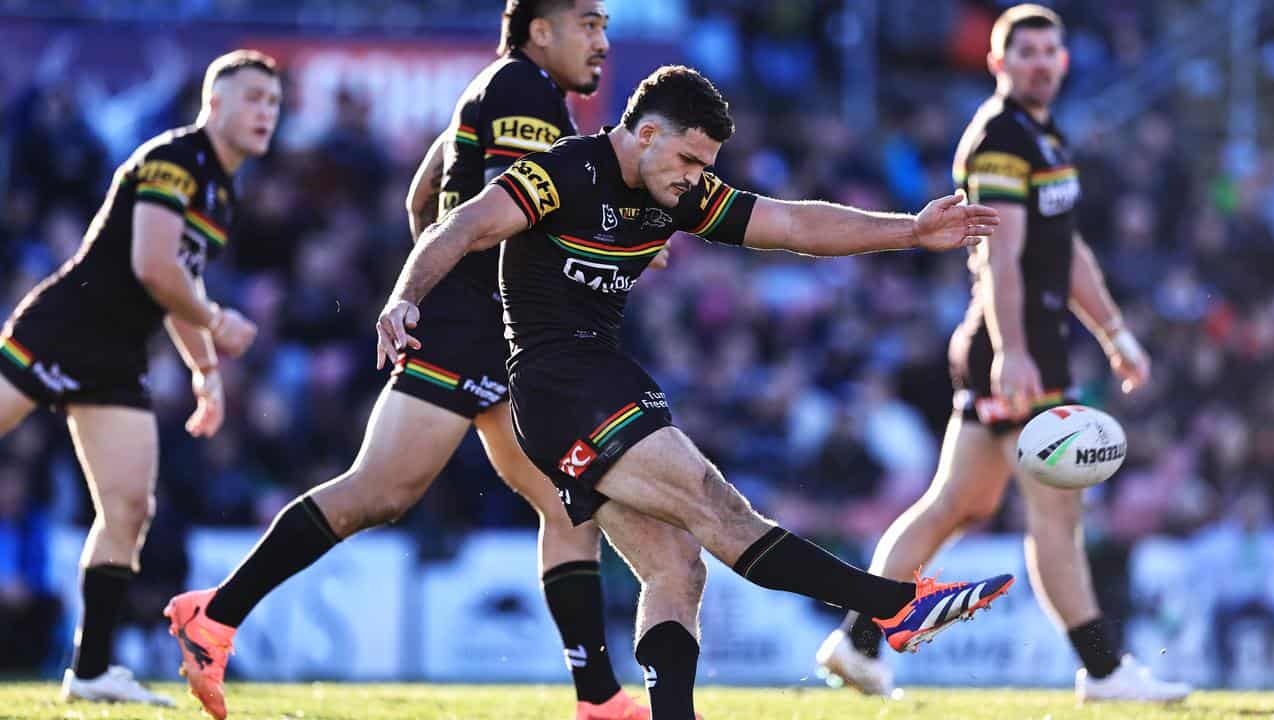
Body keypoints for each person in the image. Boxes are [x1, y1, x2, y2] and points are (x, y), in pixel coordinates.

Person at [365, 64, 1011, 719]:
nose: (695, 177)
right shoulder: (564, 172)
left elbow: (791, 226)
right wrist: (404, 298)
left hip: (599, 380)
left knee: (677, 567)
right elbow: (463, 225)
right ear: (644, 133)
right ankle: (895, 606)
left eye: (705, 165)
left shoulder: (680, 191)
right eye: (687, 159)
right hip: (560, 385)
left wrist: (910, 230)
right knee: (716, 506)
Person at [164, 4, 650, 720]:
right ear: (540, 29)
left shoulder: (508, 89)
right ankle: (215, 615)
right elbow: (508, 209)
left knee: (564, 500)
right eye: (588, 24)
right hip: (469, 329)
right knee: (380, 491)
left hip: (490, 326)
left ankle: (599, 699)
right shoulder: (521, 88)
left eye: (606, 27)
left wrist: (445, 271)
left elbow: (422, 194)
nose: (603, 43)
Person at [814, 5, 1191, 703]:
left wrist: (1115, 333)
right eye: (1027, 53)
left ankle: (859, 642)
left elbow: (1066, 248)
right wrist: (1014, 353)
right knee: (1055, 515)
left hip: (1021, 343)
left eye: (1052, 51)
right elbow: (1000, 255)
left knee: (956, 504)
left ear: (1066, 61)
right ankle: (1104, 671)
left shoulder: (1042, 134)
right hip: (1016, 347)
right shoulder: (998, 140)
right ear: (998, 63)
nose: (1042, 63)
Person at [0, 50, 276, 704]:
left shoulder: (224, 190)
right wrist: (218, 321)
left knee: (128, 508)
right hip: (63, 328)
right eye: (253, 99)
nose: (267, 112)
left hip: (117, 355)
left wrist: (205, 369)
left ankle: (91, 669)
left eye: (273, 101)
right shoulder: (173, 160)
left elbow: (178, 282)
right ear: (213, 105)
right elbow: (155, 266)